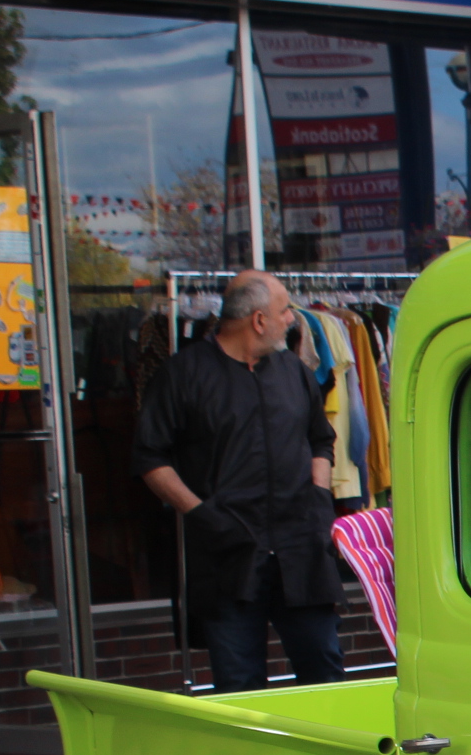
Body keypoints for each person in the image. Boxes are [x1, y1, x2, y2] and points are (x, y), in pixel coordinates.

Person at [135, 268, 343, 693]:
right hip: (228, 555)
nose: (293, 318)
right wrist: (202, 515)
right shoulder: (184, 374)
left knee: (325, 676)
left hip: (301, 550)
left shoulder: (295, 372)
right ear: (258, 320)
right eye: (285, 310)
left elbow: (321, 439)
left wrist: (319, 497)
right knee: (239, 687)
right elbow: (149, 457)